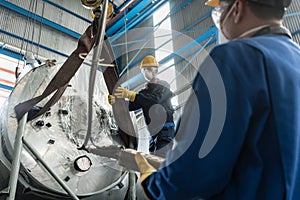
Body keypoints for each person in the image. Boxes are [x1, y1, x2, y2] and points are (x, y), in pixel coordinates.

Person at [134, 0, 300, 199]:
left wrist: (153, 184)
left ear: (237, 9)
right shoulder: (295, 60)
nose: (218, 19)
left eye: (218, 10)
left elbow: (196, 169)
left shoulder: (235, 58)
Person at [108, 55, 175, 157]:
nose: (145, 72)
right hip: (153, 135)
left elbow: (154, 100)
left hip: (165, 131)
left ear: (156, 71)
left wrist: (131, 95)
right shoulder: (144, 92)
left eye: (148, 69)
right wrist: (117, 102)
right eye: (144, 70)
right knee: (152, 163)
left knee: (161, 161)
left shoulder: (163, 85)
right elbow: (131, 106)